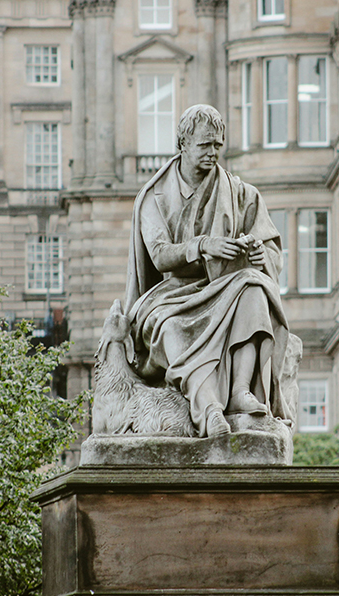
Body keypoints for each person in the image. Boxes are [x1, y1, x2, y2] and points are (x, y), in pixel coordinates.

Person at [124, 104, 291, 437]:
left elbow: (271, 247)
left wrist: (259, 254)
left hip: (226, 285)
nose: (213, 153)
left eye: (217, 145)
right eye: (204, 145)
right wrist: (201, 246)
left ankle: (241, 391)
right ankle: (210, 409)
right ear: (183, 144)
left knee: (254, 288)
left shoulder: (242, 193)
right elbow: (159, 256)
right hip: (170, 297)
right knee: (172, 329)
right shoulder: (154, 197)